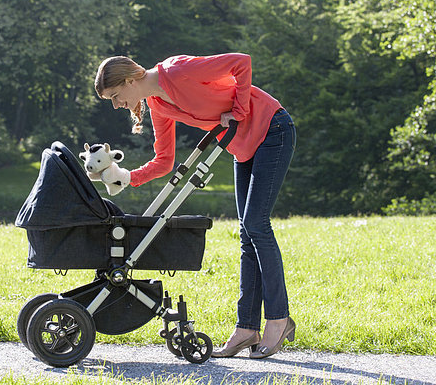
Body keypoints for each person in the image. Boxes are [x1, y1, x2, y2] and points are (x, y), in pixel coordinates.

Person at [94, 53, 296, 359]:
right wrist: (126, 177)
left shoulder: (178, 70)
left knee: (256, 225)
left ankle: (279, 319)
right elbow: (164, 162)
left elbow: (241, 62)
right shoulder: (157, 105)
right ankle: (247, 328)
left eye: (115, 96)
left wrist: (239, 111)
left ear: (128, 80)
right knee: (246, 234)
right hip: (244, 147)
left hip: (272, 129)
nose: (116, 104)